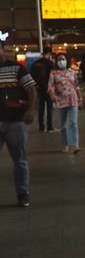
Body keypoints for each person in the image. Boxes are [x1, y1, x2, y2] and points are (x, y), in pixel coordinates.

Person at [0, 40, 36, 206]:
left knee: (20, 159)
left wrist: (30, 110)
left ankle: (23, 193)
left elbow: (31, 90)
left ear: (3, 50)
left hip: (15, 121)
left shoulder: (17, 69)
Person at [48, 53, 81, 154]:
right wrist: (53, 96)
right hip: (61, 101)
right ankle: (65, 145)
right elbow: (50, 87)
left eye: (63, 59)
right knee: (63, 125)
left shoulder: (72, 72)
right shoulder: (53, 73)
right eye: (59, 59)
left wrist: (81, 98)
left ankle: (75, 145)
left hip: (73, 99)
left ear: (66, 60)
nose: (61, 61)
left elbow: (77, 86)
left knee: (73, 123)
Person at [30, 45, 55, 131]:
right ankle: (50, 126)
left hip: (39, 88)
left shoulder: (35, 63)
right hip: (48, 88)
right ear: (49, 53)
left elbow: (31, 76)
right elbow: (52, 77)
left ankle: (41, 127)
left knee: (41, 107)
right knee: (49, 107)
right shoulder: (50, 63)